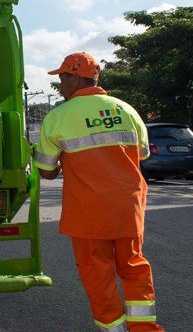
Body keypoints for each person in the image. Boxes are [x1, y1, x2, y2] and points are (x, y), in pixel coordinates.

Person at [34, 52, 163, 332]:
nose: (60, 85)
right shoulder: (126, 110)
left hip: (88, 213)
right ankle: (144, 329)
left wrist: (60, 165)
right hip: (128, 208)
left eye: (62, 78)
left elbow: (45, 170)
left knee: (97, 275)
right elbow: (141, 156)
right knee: (134, 267)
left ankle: (113, 329)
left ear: (74, 77)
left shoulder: (59, 117)